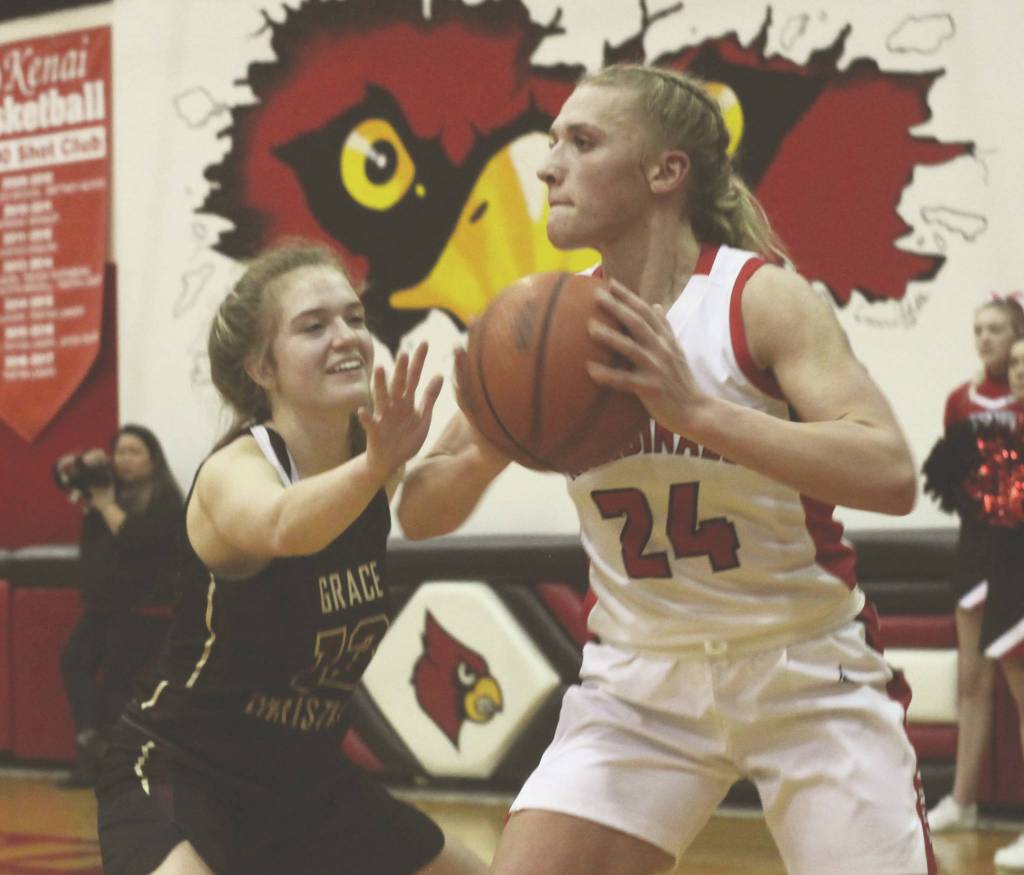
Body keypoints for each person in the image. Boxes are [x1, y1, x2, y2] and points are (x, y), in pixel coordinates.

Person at [397, 64, 932, 875]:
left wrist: (702, 414)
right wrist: (482, 437)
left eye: (582, 142)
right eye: (553, 143)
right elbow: (422, 515)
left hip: (804, 672)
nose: (548, 166)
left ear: (665, 171)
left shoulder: (757, 300)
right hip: (640, 682)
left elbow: (890, 472)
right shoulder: (547, 331)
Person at [94, 243, 486, 875]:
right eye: (314, 325)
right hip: (181, 773)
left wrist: (501, 415)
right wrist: (378, 465)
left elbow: (428, 493)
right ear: (261, 369)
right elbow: (284, 525)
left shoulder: (369, 457)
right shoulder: (235, 471)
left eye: (355, 318)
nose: (346, 337)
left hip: (303, 784)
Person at [925, 298, 1024, 838]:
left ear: (1017, 336)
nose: (985, 338)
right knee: (972, 682)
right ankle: (962, 801)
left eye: (996, 330)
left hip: (1018, 554)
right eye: (978, 329)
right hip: (975, 551)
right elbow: (952, 475)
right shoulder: (959, 401)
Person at [56, 424, 183, 789]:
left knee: (119, 685)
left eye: (134, 452)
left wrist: (107, 505)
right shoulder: (102, 484)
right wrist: (81, 462)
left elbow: (135, 540)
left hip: (142, 612)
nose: (123, 459)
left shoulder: (165, 501)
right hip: (101, 607)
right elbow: (60, 475)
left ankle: (115, 767)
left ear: (152, 459)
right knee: (73, 661)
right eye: (120, 451)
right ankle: (89, 741)